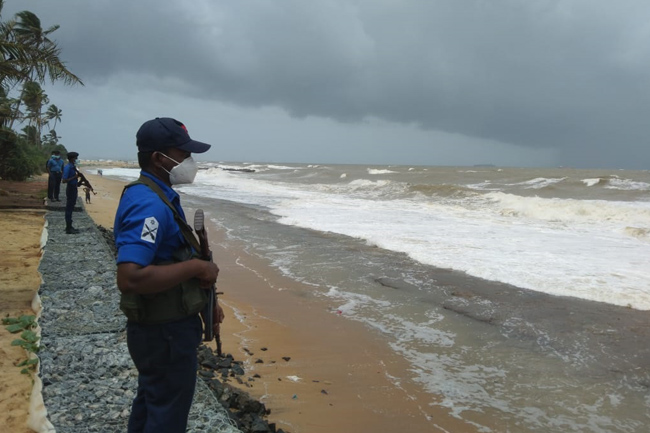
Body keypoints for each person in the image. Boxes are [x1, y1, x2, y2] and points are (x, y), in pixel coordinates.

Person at [113, 117, 224, 433]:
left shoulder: (158, 195)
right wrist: (198, 267)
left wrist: (207, 300)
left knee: (152, 403)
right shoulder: (149, 204)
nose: (190, 162)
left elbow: (168, 257)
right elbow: (131, 277)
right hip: (165, 333)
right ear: (159, 158)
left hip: (163, 329)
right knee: (168, 418)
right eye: (183, 154)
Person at [61, 151, 80, 234]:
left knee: (71, 207)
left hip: (74, 187)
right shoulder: (68, 167)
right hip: (71, 188)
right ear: (72, 158)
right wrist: (74, 177)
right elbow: (64, 180)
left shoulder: (72, 166)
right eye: (75, 158)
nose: (76, 159)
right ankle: (68, 227)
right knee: (69, 208)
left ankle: (70, 226)